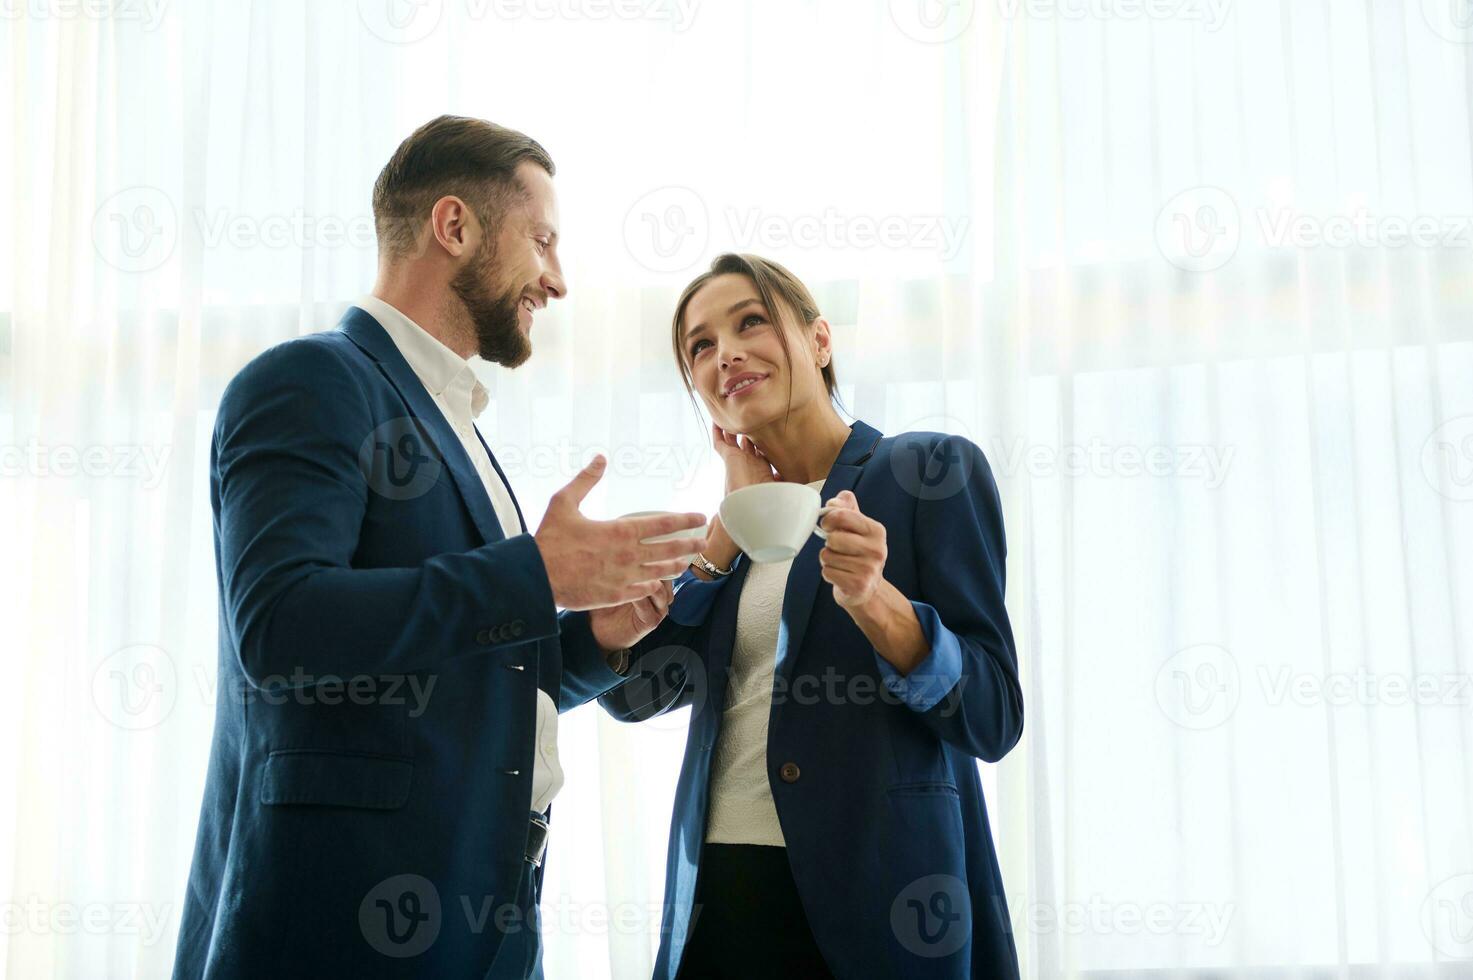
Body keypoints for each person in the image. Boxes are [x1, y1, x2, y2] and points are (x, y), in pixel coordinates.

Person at [172, 115, 708, 979]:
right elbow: (281, 628)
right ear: (454, 227)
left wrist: (594, 640)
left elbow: (456, 664)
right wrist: (536, 573)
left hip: (485, 922)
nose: (558, 280)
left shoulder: (455, 424)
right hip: (343, 928)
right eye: (542, 241)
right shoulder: (310, 380)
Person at [602, 253, 1024, 979]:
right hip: (722, 895)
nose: (724, 352)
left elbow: (991, 716)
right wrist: (720, 539)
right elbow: (631, 695)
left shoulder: (923, 471)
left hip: (880, 900)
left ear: (819, 342)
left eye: (750, 322)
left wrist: (876, 601)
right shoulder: (728, 533)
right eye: (699, 346)